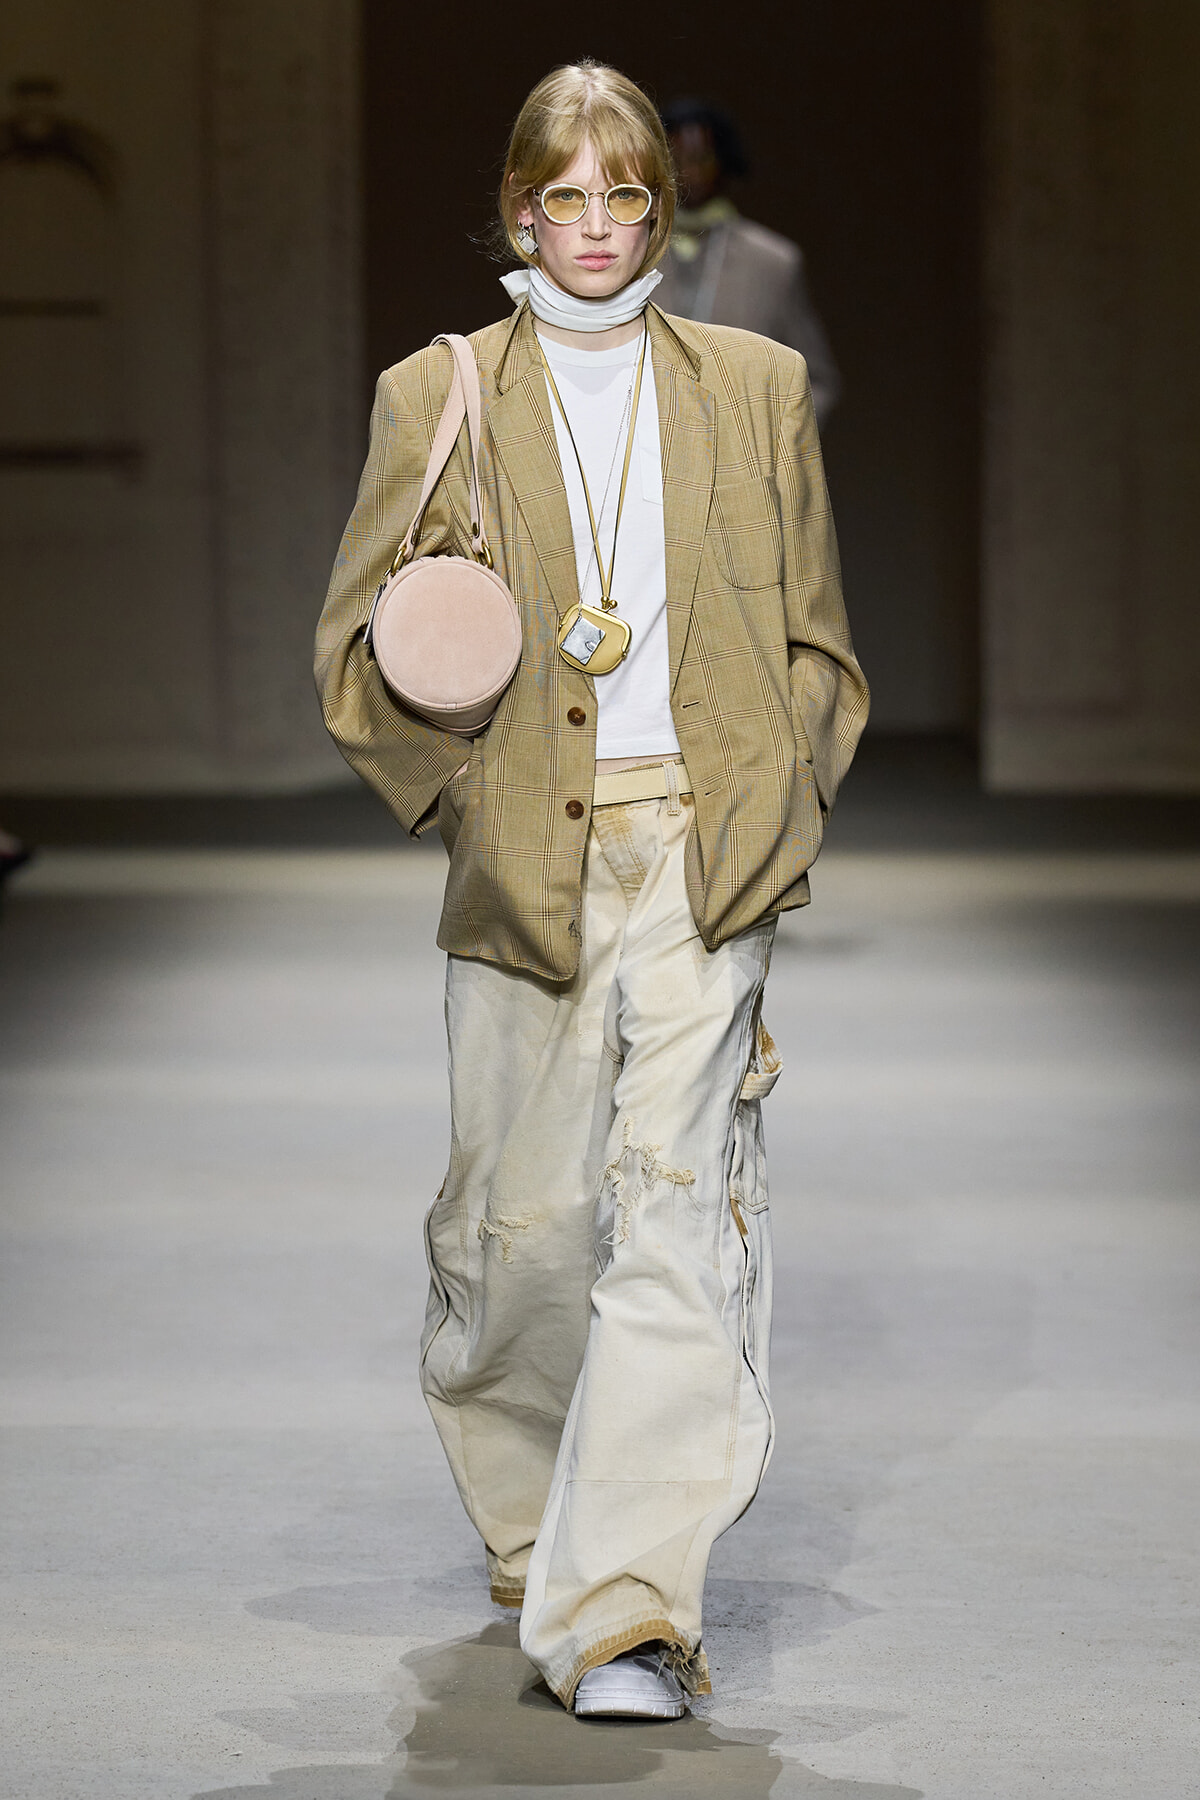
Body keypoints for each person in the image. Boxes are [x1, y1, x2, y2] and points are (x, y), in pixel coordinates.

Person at [315, 61, 867, 1721]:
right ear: (515, 210)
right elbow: (353, 656)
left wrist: (781, 802)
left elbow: (819, 640)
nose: (600, 227)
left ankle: (627, 1609)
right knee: (521, 1241)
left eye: (629, 194)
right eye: (566, 196)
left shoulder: (756, 384)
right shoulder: (443, 393)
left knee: (677, 1233)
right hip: (531, 854)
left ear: (666, 207)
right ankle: (527, 1520)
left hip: (706, 851)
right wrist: (465, 795)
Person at [655, 97, 842, 426]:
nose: (689, 171)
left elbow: (817, 381)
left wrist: (775, 445)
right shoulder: (631, 254)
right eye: (676, 159)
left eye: (702, 158)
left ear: (726, 162)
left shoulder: (772, 263)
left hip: (745, 458)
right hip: (648, 456)